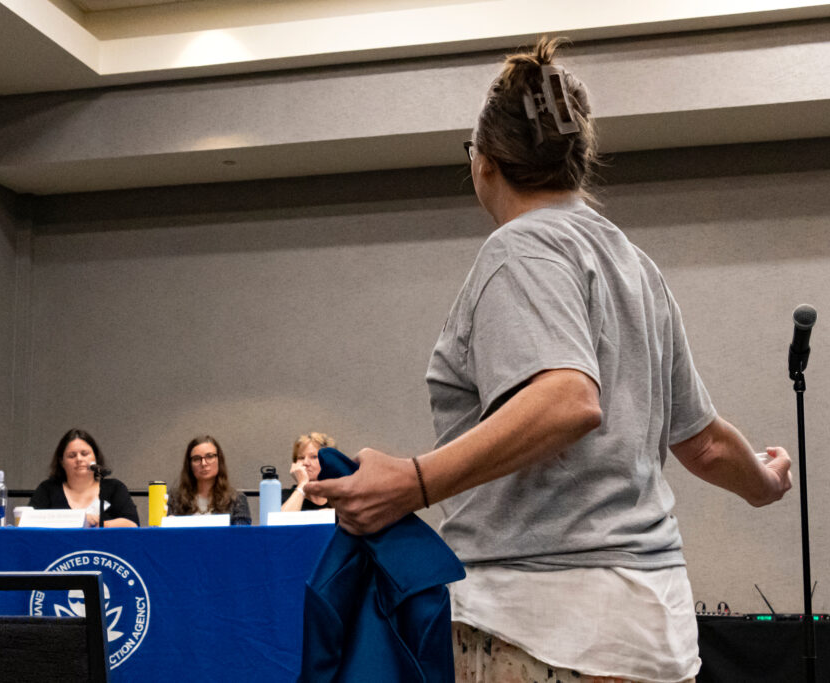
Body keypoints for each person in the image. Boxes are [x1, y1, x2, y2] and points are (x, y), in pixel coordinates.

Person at [306, 38, 793, 683]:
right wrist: (764, 483)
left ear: (484, 163)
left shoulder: (519, 249)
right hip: (654, 626)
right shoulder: (635, 267)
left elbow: (568, 399)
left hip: (543, 624)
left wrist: (413, 483)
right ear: (578, 162)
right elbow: (703, 445)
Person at [29, 428, 139, 527]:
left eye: (84, 454)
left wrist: (98, 524)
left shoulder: (114, 488)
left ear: (95, 457)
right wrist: (79, 520)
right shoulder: (48, 489)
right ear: (62, 462)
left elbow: (132, 524)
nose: (79, 459)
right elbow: (28, 522)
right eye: (72, 456)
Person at [170, 435, 251, 525]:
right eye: (196, 459)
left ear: (219, 460)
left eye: (209, 456)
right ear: (189, 465)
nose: (204, 463)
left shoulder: (237, 500)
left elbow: (242, 537)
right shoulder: (174, 499)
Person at [281, 432, 334, 512]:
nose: (305, 462)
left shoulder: (340, 497)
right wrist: (302, 485)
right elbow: (281, 523)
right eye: (301, 458)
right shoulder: (285, 496)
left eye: (314, 457)